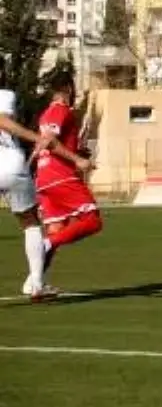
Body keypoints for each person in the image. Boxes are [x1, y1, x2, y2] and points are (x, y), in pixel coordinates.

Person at [0, 58, 90, 301]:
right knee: (30, 224)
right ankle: (37, 282)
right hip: (9, 164)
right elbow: (3, 121)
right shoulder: (4, 94)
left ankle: (37, 282)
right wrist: (34, 137)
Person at [33, 68, 102, 288]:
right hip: (59, 176)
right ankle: (45, 244)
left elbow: (49, 142)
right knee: (92, 221)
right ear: (68, 88)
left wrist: (76, 154)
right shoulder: (60, 110)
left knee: (57, 229)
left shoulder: (45, 113)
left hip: (44, 177)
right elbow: (51, 142)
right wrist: (78, 160)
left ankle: (36, 283)